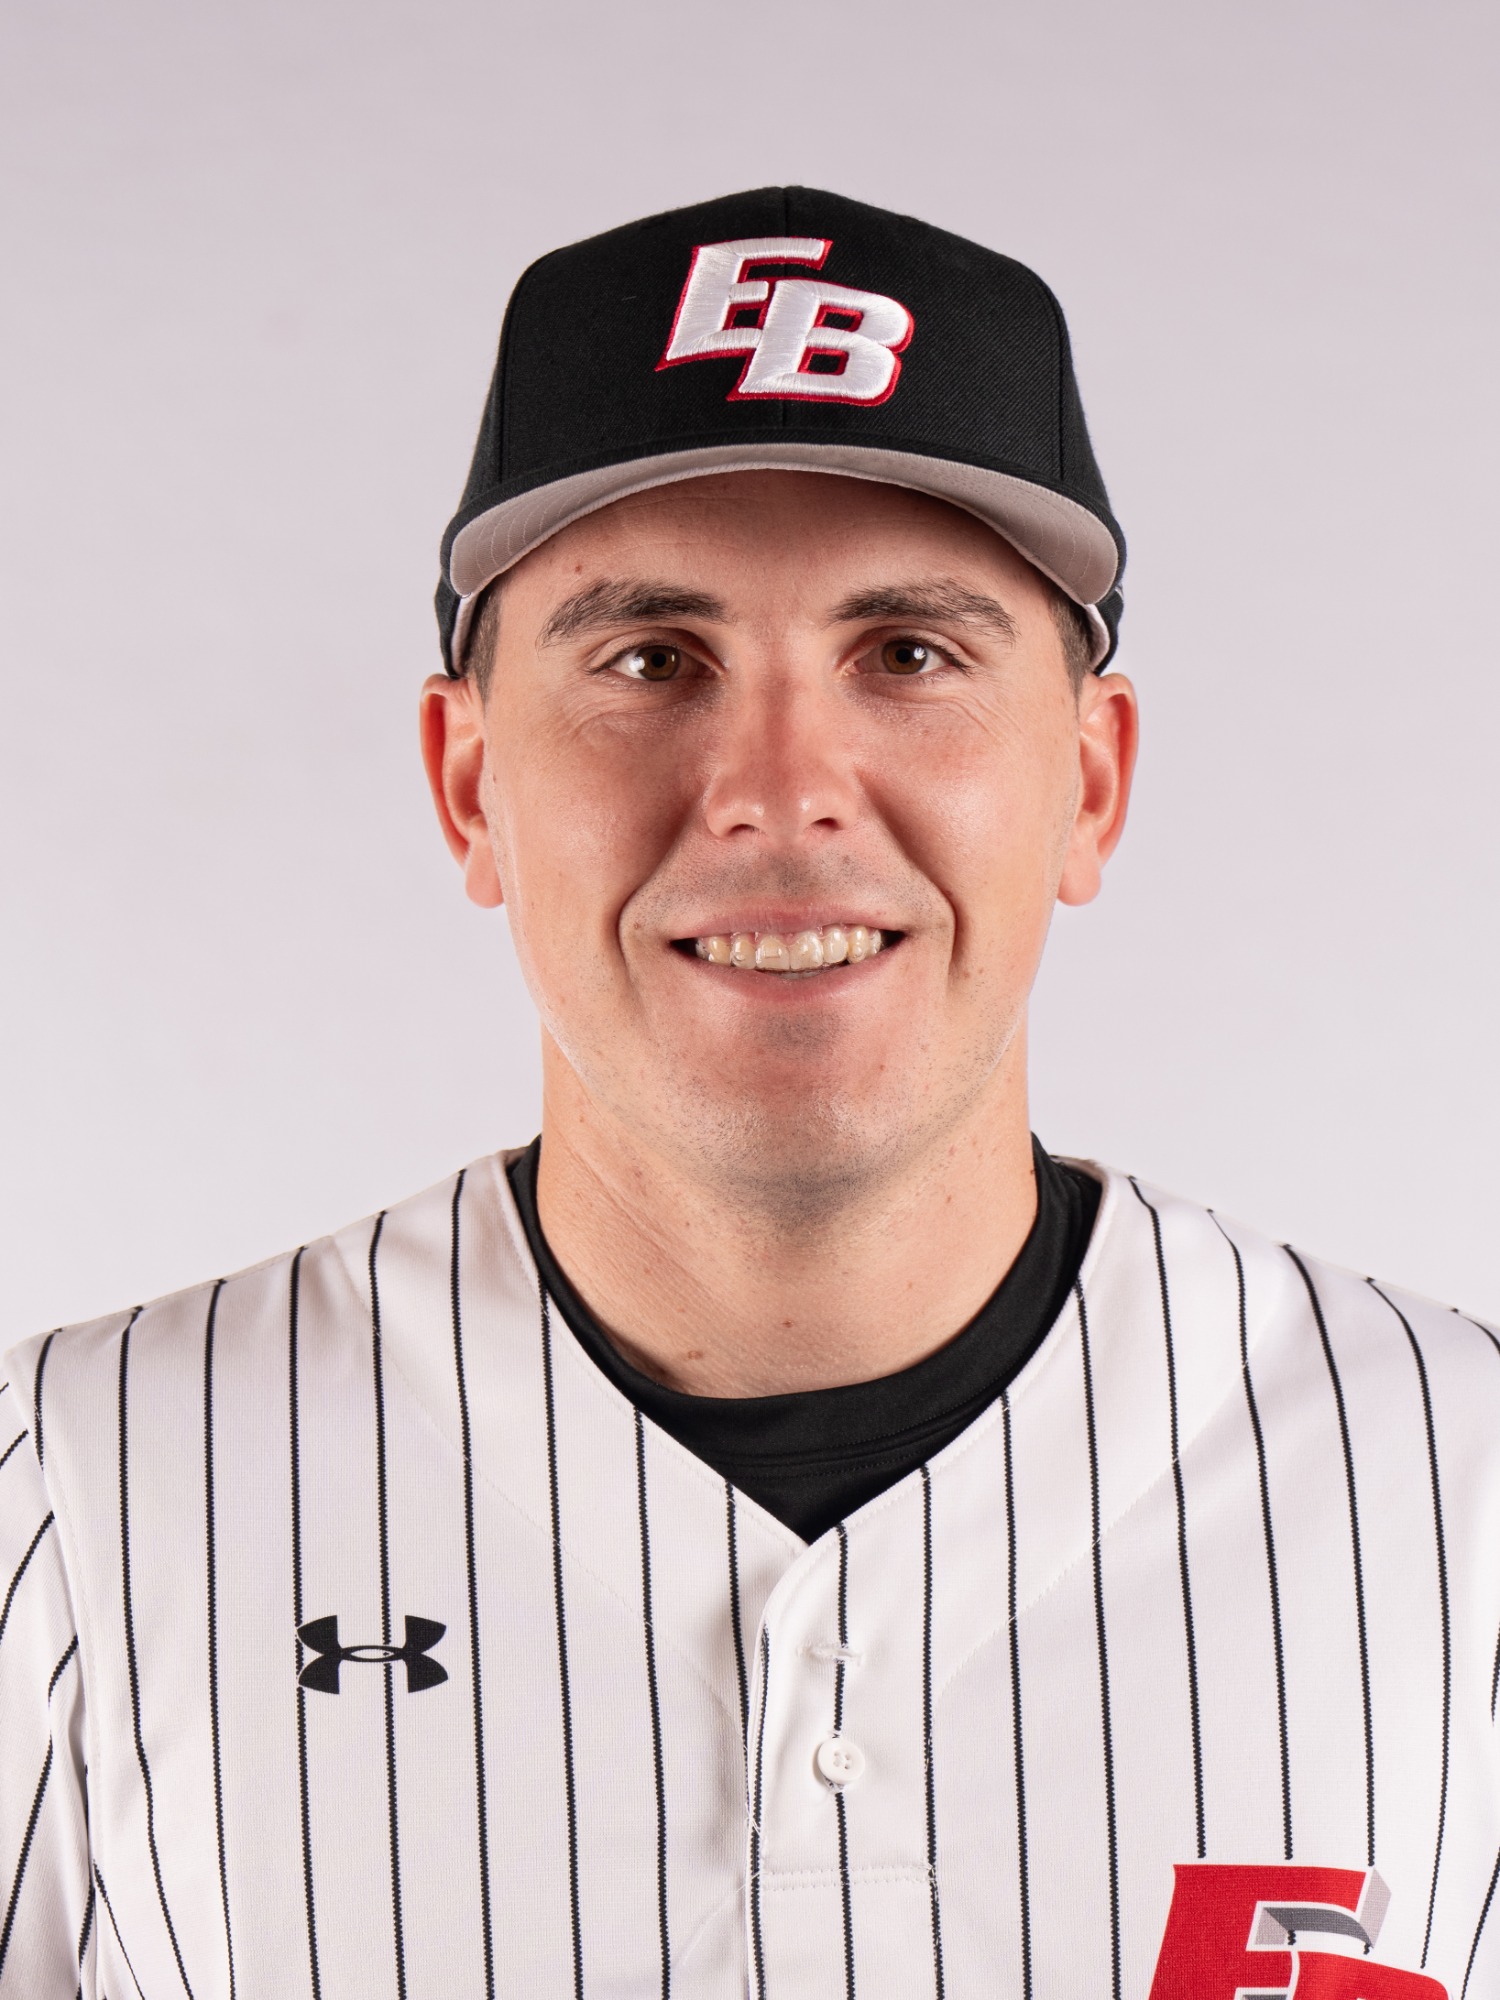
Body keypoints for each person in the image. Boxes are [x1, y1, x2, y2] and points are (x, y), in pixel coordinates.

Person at [1, 186, 1495, 2000]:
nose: (779, 791)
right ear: (468, 784)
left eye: (911, 655)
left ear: (1090, 782)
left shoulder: (1464, 1481)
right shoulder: (77, 1491)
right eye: (651, 661)